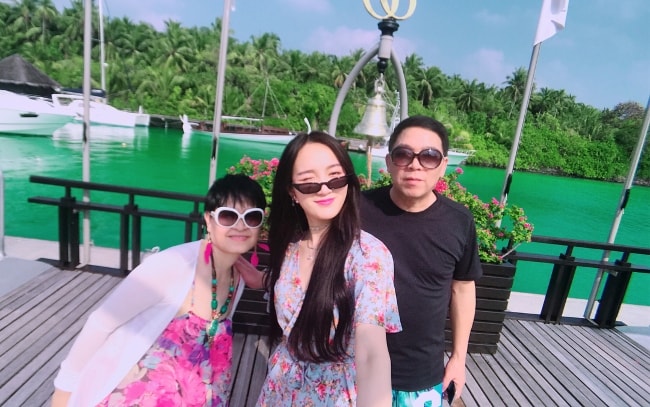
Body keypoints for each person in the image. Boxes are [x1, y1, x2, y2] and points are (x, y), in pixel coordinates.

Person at [51, 173, 267, 407]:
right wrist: (63, 395)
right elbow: (101, 323)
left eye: (252, 217)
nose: (241, 226)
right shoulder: (174, 265)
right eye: (228, 216)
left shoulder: (239, 277)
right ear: (208, 219)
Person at [256, 131, 402, 407]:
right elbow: (294, 297)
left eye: (335, 178)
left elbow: (372, 351)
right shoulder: (290, 247)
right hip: (278, 389)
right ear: (292, 192)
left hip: (332, 396)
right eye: (309, 183)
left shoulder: (367, 255)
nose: (325, 189)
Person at [361, 115, 483, 407]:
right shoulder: (357, 210)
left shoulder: (458, 221)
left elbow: (463, 289)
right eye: (404, 155)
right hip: (353, 366)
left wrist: (458, 358)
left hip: (420, 374)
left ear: (443, 165)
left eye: (429, 156)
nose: (415, 164)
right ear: (389, 162)